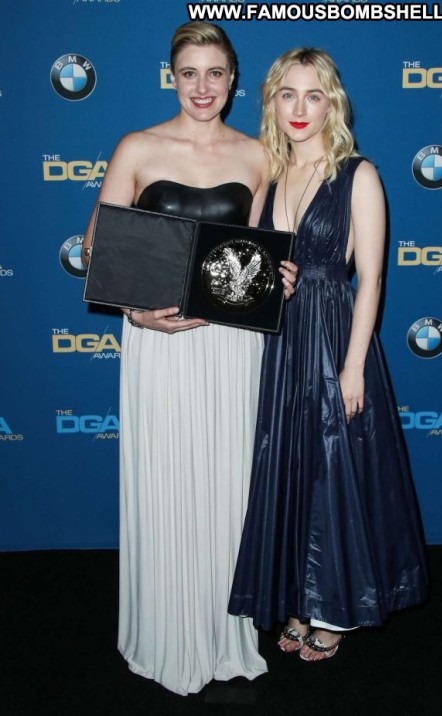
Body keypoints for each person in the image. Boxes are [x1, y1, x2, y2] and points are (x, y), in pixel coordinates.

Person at [82, 22, 296, 695]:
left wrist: (280, 278)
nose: (203, 87)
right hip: (158, 345)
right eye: (189, 73)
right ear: (171, 77)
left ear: (234, 80)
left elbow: (262, 253)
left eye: (216, 73)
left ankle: (225, 633)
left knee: (229, 487)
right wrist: (134, 313)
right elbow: (96, 248)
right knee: (166, 483)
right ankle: (164, 634)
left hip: (231, 346)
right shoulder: (138, 147)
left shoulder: (260, 154)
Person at [229, 48, 429, 662]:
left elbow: (371, 279)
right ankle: (298, 596)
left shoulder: (357, 174)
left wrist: (352, 365)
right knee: (289, 463)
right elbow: (251, 267)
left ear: (331, 104)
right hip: (281, 341)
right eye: (287, 94)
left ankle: (335, 608)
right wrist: (272, 284)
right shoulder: (268, 174)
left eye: (313, 95)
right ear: (271, 102)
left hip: (335, 334)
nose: (299, 108)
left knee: (334, 469)